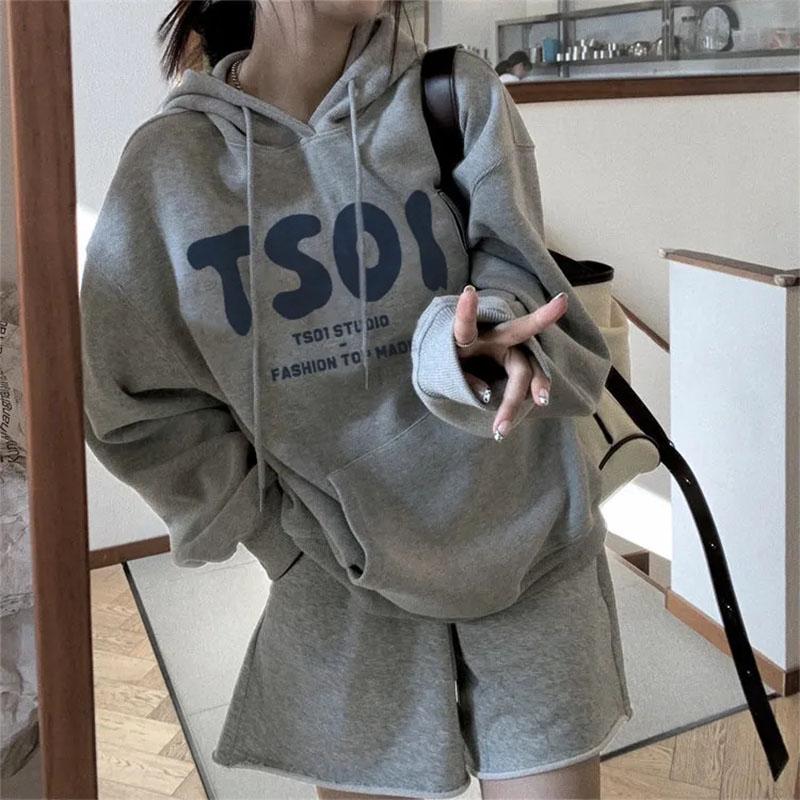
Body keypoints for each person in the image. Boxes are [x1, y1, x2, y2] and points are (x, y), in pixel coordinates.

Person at [79, 2, 633, 798]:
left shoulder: (454, 95)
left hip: (527, 543)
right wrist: (277, 542)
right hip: (342, 588)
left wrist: (473, 343)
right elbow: (135, 400)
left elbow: (514, 271)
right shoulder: (169, 167)